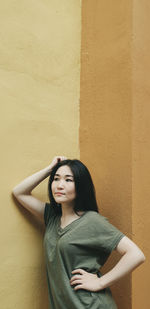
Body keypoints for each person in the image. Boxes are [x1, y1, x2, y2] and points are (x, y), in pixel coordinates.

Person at [12, 156, 145, 309]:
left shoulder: (92, 221)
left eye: (68, 180)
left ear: (81, 186)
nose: (60, 185)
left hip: (91, 305)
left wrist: (100, 282)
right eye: (56, 179)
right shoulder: (52, 217)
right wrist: (50, 169)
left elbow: (136, 254)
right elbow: (19, 192)